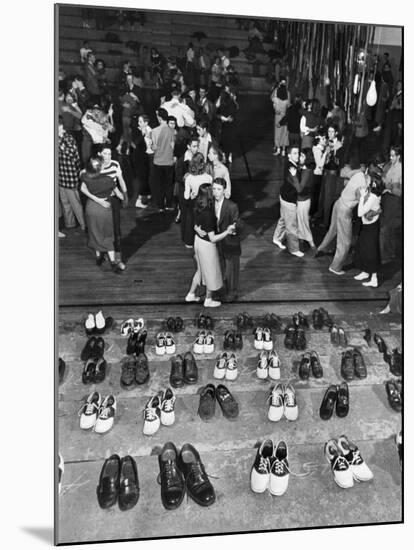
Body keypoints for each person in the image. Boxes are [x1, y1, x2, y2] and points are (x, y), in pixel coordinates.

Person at [185, 184, 236, 308]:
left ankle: (191, 294)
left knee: (201, 271)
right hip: (206, 246)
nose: (215, 192)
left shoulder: (197, 204)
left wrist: (196, 229)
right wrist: (227, 232)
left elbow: (195, 224)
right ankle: (208, 299)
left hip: (198, 241)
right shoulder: (208, 213)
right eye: (213, 190)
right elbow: (213, 238)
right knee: (211, 272)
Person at [315, 164, 368, 275]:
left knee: (333, 230)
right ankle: (335, 267)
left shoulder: (358, 173)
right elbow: (361, 202)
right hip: (345, 209)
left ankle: (322, 248)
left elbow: (347, 174)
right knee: (345, 241)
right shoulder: (363, 184)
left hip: (339, 202)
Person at [80, 157, 124, 273]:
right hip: (104, 209)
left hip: (91, 208)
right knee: (107, 235)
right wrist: (122, 195)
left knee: (94, 232)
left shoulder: (84, 177)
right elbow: (119, 195)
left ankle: (99, 257)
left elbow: (82, 188)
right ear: (100, 169)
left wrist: (96, 199)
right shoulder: (108, 180)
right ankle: (113, 263)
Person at [212, 177, 242, 301]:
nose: (215, 192)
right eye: (214, 189)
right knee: (220, 267)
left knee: (232, 269)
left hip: (230, 242)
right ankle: (221, 290)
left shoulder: (231, 206)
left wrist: (234, 228)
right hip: (217, 241)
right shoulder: (210, 203)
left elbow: (238, 223)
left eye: (219, 189)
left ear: (224, 190)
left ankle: (232, 293)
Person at [272, 145, 304, 257]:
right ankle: (294, 249)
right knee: (291, 225)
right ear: (289, 155)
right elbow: (298, 187)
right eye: (295, 153)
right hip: (289, 199)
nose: (298, 155)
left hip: (284, 196)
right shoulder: (292, 168)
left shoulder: (290, 164)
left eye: (298, 153)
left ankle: (277, 238)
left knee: (283, 218)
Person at [353, 172, 383, 288]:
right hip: (369, 225)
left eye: (368, 180)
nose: (366, 182)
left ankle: (374, 279)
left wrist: (361, 198)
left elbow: (360, 213)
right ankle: (365, 272)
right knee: (363, 248)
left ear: (373, 183)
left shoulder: (373, 197)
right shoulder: (373, 194)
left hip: (371, 227)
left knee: (371, 252)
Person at [58, 117, 86, 232]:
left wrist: (59, 142)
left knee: (75, 203)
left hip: (69, 176)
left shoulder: (68, 137)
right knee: (65, 203)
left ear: (60, 126)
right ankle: (70, 224)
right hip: (61, 176)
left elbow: (70, 153)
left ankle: (84, 224)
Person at [182, 152, 213, 247]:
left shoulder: (189, 178)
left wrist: (191, 195)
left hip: (194, 202)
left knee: (190, 220)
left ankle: (189, 242)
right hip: (206, 203)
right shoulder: (209, 178)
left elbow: (186, 196)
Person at [150, 107, 176, 212]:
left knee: (159, 185)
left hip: (158, 161)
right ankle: (169, 204)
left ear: (159, 117)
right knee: (169, 185)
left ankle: (160, 206)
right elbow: (173, 146)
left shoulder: (154, 131)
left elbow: (154, 148)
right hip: (169, 161)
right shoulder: (172, 131)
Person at [380, 145, 402, 263]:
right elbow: (386, 179)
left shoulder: (400, 169)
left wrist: (390, 189)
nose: (391, 157)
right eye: (390, 155)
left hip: (394, 201)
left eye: (393, 155)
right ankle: (390, 252)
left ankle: (385, 255)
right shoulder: (390, 165)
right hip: (387, 199)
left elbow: (401, 192)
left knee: (386, 228)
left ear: (399, 156)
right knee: (387, 228)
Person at [174, 136, 199, 225]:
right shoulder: (182, 161)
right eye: (194, 146)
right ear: (188, 147)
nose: (196, 148)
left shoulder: (199, 158)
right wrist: (185, 178)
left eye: (197, 146)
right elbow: (177, 176)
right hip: (185, 190)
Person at [131, 114, 153, 208]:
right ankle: (139, 200)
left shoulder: (150, 130)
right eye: (138, 121)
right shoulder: (137, 131)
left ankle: (147, 194)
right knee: (142, 178)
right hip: (139, 158)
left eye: (140, 121)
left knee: (147, 176)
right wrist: (142, 134)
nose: (138, 123)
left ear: (146, 123)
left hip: (146, 157)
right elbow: (135, 143)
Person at [297, 150, 316, 249]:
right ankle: (302, 238)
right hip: (304, 199)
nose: (299, 157)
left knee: (303, 221)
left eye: (302, 156)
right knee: (301, 220)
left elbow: (300, 187)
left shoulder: (306, 171)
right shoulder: (305, 169)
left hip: (303, 200)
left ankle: (310, 240)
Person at [216, 88, 238, 164]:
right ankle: (230, 156)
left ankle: (224, 156)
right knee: (230, 141)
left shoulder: (222, 105)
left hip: (224, 126)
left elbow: (216, 113)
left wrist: (223, 118)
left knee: (223, 141)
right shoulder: (232, 104)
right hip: (231, 126)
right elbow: (234, 113)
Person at [271, 79, 290, 156]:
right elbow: (289, 105)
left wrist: (276, 88)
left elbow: (271, 96)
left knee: (278, 133)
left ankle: (278, 149)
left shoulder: (276, 99)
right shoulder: (287, 99)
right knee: (285, 133)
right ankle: (283, 150)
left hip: (278, 116)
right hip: (285, 116)